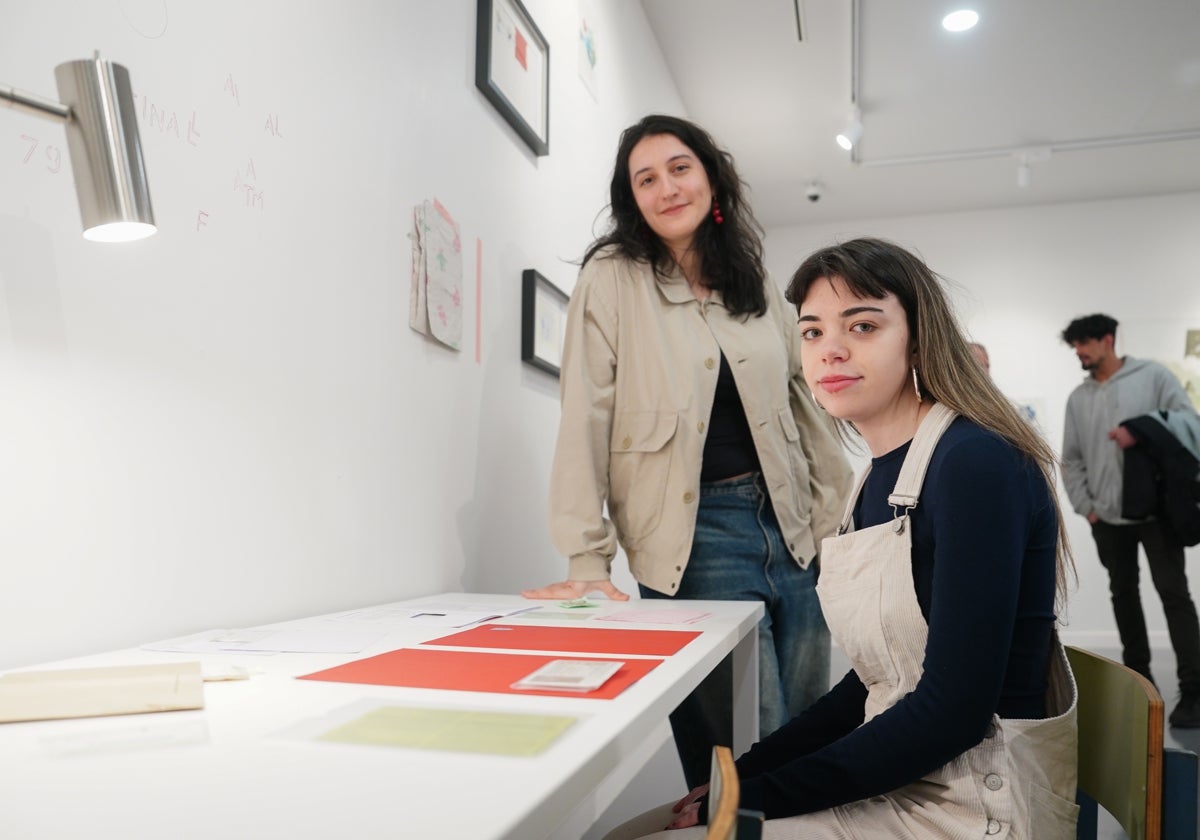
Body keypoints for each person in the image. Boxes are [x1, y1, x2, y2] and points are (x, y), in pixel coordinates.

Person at [610, 237, 1079, 839]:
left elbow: (953, 716)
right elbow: (872, 682)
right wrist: (744, 775)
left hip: (974, 804)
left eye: (862, 325)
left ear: (917, 336)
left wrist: (755, 795)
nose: (830, 349)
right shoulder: (873, 480)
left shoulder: (975, 462)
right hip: (907, 774)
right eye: (811, 332)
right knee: (636, 829)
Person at [522, 115, 853, 789]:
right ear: (631, 199)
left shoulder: (756, 285)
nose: (667, 187)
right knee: (741, 748)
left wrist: (837, 523)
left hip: (794, 529)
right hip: (695, 537)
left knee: (809, 729)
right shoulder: (613, 278)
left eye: (680, 168)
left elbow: (808, 406)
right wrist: (587, 556)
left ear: (711, 177)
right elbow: (585, 412)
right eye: (646, 178)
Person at [1060, 313, 1200, 727]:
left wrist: (1141, 430)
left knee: (1174, 595)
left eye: (1085, 344)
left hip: (1157, 513)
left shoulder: (1153, 377)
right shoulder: (1078, 398)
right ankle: (1142, 686)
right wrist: (1087, 506)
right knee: (1123, 595)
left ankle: (1193, 690)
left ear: (1108, 340)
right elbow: (1071, 459)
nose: (1079, 353)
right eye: (1074, 347)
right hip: (1106, 518)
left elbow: (1191, 423)